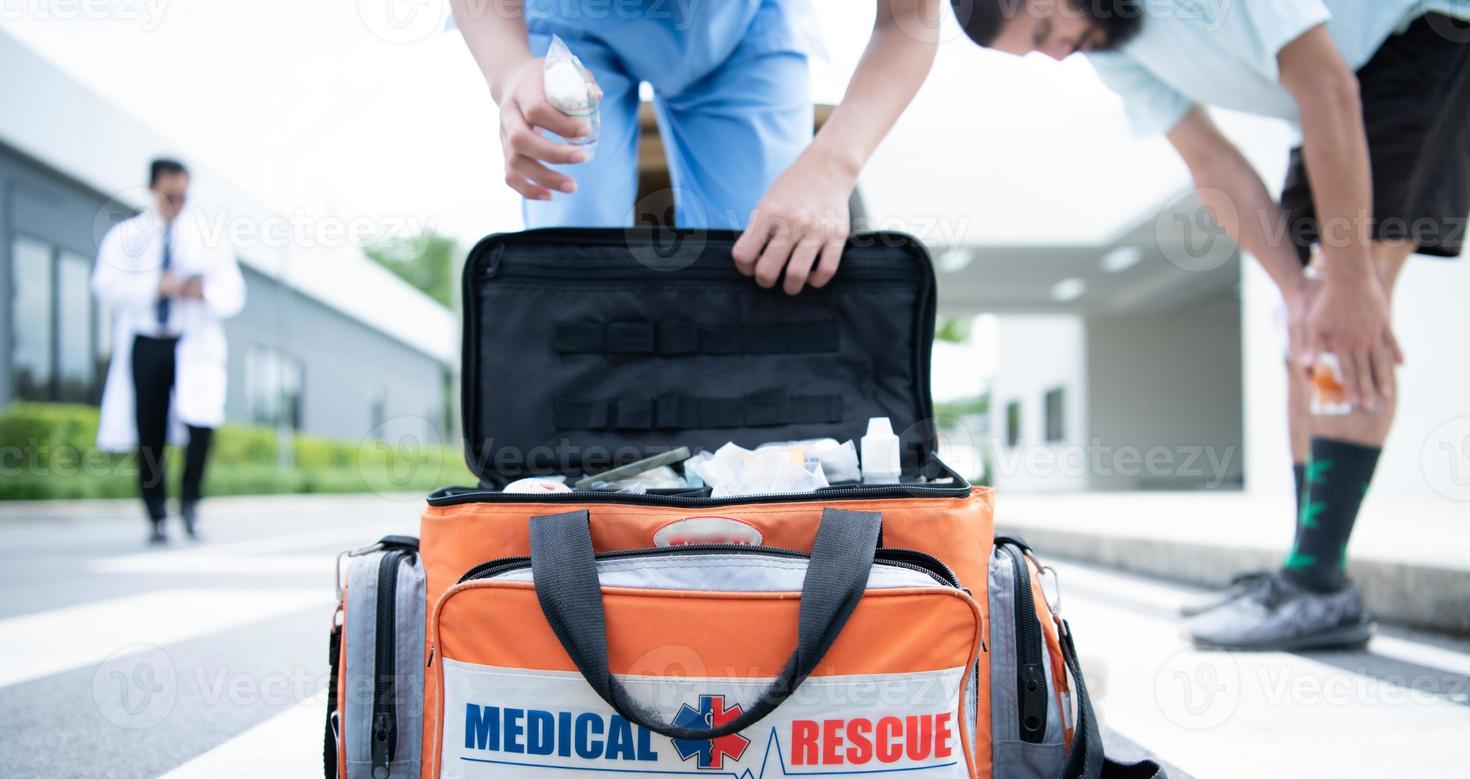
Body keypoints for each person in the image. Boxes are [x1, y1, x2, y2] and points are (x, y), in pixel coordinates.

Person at [952, 0, 1470, 651]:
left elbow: (1325, 84)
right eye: (1037, 49)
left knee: (1346, 331)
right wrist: (1299, 290)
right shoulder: (1112, 48)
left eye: (1045, 31)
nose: (1057, 52)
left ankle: (1319, 584)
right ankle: (1310, 568)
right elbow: (1213, 162)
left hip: (1417, 42)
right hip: (1337, 91)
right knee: (1302, 333)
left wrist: (1348, 283)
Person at [449, 0, 939, 294]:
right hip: (571, 21)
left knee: (764, 256)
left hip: (743, 27)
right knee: (571, 260)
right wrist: (510, 67)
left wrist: (832, 167)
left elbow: (910, 19)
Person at [95, 159, 246, 544]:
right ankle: (156, 512)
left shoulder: (207, 237)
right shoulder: (127, 237)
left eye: (183, 196)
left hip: (192, 340)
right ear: (152, 189)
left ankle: (191, 503)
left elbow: (233, 294)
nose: (176, 203)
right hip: (147, 341)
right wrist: (154, 286)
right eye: (169, 195)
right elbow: (105, 286)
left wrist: (202, 292)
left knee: (201, 425)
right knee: (150, 430)